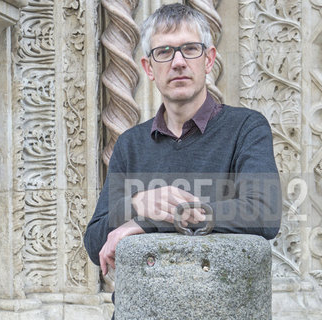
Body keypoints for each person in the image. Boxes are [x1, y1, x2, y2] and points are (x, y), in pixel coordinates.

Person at [83, 3, 282, 312]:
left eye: (190, 49)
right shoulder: (130, 144)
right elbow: (95, 243)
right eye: (164, 52)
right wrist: (136, 205)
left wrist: (149, 220)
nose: (178, 62)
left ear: (209, 60)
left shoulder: (246, 127)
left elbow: (263, 213)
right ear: (148, 68)